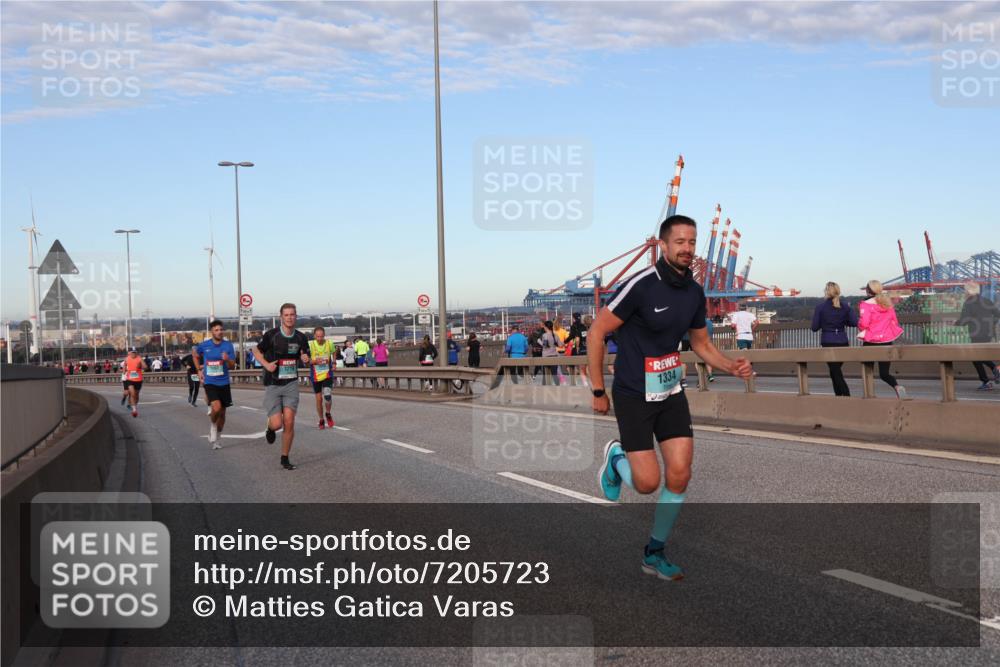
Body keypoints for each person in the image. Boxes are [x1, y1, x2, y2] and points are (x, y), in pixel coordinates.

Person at [590, 214, 753, 581]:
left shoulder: (695, 292)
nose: (687, 249)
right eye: (680, 242)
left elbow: (701, 343)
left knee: (679, 475)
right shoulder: (640, 285)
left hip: (670, 391)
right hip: (633, 394)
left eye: (692, 242)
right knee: (647, 483)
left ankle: (654, 552)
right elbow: (597, 332)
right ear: (663, 245)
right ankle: (616, 458)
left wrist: (730, 366)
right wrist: (598, 389)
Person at [253, 303, 311, 470]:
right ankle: (270, 428)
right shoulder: (271, 335)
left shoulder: (301, 337)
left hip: (291, 383)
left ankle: (285, 458)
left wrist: (305, 358)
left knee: (289, 421)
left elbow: (305, 354)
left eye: (292, 314)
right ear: (281, 317)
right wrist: (266, 365)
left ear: (296, 316)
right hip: (273, 383)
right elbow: (256, 351)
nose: (290, 317)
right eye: (286, 315)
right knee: (277, 423)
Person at [857, 279, 907, 399]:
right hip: (887, 341)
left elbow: (864, 324)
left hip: (871, 341)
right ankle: (896, 386)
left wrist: (859, 324)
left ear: (868, 291)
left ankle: (869, 395)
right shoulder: (887, 304)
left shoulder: (866, 304)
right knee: (884, 373)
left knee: (867, 369)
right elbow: (894, 321)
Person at [194, 320, 236, 450]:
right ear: (212, 331)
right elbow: (195, 355)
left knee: (222, 415)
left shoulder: (228, 346)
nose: (219, 332)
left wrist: (227, 359)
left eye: (221, 329)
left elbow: (232, 365)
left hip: (224, 382)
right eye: (216, 330)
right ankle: (213, 425)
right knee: (216, 408)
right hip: (210, 381)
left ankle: (217, 439)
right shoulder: (205, 345)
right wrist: (199, 370)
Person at [811, 282, 858, 396]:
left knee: (835, 371)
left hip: (828, 342)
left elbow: (814, 328)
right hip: (843, 341)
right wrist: (843, 321)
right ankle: (839, 398)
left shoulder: (820, 307)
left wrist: (825, 323)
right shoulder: (846, 306)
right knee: (834, 371)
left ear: (826, 291)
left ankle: (846, 396)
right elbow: (854, 322)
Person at [955, 281, 1000, 390]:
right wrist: (992, 323)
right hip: (988, 333)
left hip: (976, 334)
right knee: (979, 356)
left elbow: (964, 321)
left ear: (969, 291)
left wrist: (955, 323)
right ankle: (991, 375)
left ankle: (990, 377)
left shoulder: (968, 303)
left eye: (965, 290)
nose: (964, 292)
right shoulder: (986, 301)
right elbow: (998, 314)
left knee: (976, 356)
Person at [308, 326, 336, 429]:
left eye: (321, 336)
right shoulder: (310, 345)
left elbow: (333, 352)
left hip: (327, 374)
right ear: (314, 336)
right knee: (319, 400)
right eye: (317, 337)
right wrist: (314, 361)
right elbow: (306, 360)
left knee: (327, 396)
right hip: (315, 375)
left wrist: (334, 363)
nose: (319, 339)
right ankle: (321, 419)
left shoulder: (329, 343)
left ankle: (328, 414)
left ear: (324, 335)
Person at [123, 348, 148, 418]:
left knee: (136, 395)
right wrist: (124, 371)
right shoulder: (127, 358)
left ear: (136, 353)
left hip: (138, 380)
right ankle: (134, 410)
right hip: (130, 379)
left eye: (135, 352)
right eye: (132, 352)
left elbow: (145, 366)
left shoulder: (139, 358)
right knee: (132, 393)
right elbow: (124, 365)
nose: (134, 354)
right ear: (130, 353)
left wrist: (142, 366)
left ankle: (134, 406)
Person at [538, 320, 561, 385]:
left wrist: (539, 341)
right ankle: (558, 387)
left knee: (545, 375)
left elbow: (545, 346)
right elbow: (560, 345)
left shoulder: (545, 335)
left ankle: (545, 389)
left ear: (546, 327)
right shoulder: (555, 335)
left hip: (546, 357)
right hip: (554, 356)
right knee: (554, 374)